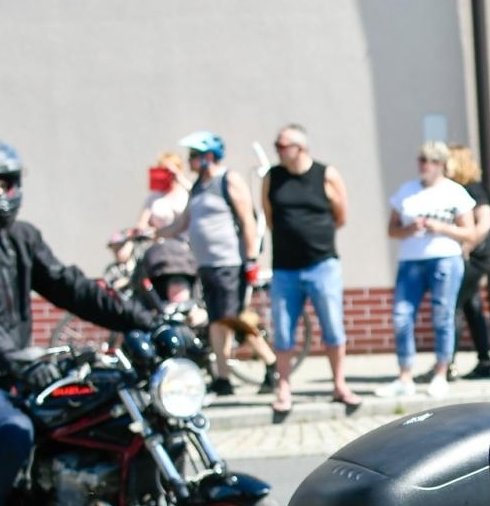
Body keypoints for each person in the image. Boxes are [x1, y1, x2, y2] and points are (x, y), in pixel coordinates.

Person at [0, 137, 159, 506]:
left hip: (18, 372)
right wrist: (16, 356)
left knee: (96, 415)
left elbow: (72, 288)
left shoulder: (21, 237)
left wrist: (147, 322)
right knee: (12, 431)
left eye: (4, 185)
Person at [160, 130, 274, 397]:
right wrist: (153, 233)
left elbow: (246, 220)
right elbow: (183, 222)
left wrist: (251, 260)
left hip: (229, 263)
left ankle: (270, 363)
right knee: (217, 321)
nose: (190, 160)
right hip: (207, 265)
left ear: (208, 156)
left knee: (231, 318)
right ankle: (222, 378)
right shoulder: (198, 186)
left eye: (194, 155)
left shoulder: (228, 180)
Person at [263, 123, 358, 415]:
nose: (278, 151)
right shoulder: (272, 177)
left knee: (333, 327)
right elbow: (269, 217)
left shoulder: (325, 174)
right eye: (276, 145)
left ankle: (339, 385)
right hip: (285, 269)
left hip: (322, 265)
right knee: (283, 332)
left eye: (282, 146)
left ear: (300, 147)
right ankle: (283, 389)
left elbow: (341, 216)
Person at [379, 141, 477, 399]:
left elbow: (470, 232)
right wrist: (409, 229)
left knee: (442, 316)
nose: (424, 165)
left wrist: (441, 228)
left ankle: (441, 374)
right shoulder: (407, 191)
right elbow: (391, 230)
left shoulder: (454, 192)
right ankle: (405, 377)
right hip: (411, 260)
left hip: (445, 258)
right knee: (401, 316)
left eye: (431, 161)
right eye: (422, 159)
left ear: (441, 164)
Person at [445, 143, 490, 379]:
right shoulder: (456, 189)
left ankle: (448, 364)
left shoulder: (473, 189)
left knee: (453, 306)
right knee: (472, 306)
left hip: (474, 257)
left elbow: (485, 223)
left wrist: (467, 246)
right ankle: (485, 361)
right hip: (469, 256)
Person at [110, 152, 190, 266]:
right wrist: (140, 235)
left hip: (184, 248)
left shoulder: (187, 194)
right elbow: (142, 224)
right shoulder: (154, 197)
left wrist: (179, 178)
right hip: (159, 250)